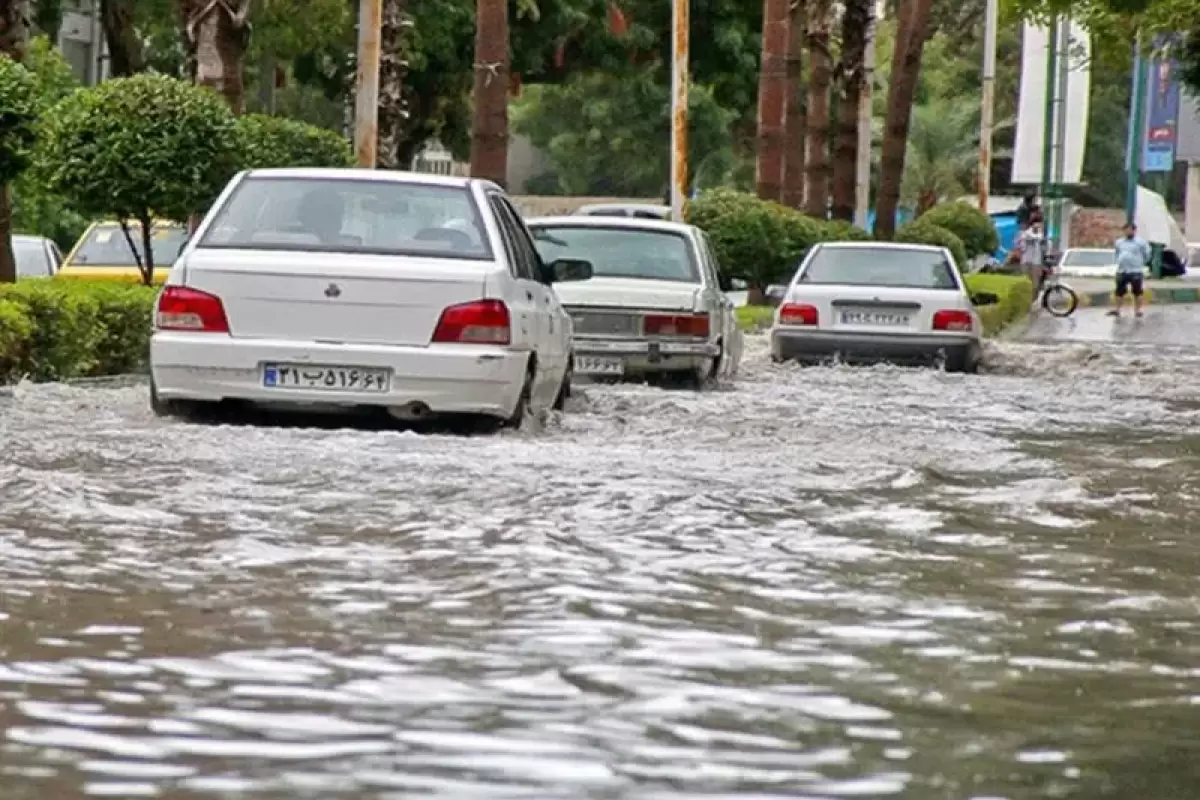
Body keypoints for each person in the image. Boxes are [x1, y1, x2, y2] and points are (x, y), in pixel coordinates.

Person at [1108, 222, 1151, 318]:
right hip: (1122, 270)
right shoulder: (1119, 242)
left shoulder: (1141, 242)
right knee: (1119, 291)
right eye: (1126, 230)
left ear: (1134, 231)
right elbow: (1117, 253)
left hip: (1135, 270)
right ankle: (1117, 310)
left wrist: (1139, 262)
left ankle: (1138, 310)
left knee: (1137, 291)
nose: (1128, 232)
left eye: (1130, 230)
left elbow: (1147, 255)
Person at [1018, 214, 1047, 292]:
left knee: (1035, 284)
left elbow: (1040, 241)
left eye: (1040, 223)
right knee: (1026, 283)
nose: (1040, 225)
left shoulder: (1037, 234)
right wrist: (1040, 232)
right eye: (1038, 223)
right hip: (1027, 262)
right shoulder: (1027, 233)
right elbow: (1035, 237)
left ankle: (1033, 301)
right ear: (1033, 223)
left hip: (1036, 262)